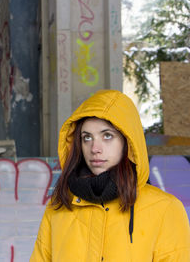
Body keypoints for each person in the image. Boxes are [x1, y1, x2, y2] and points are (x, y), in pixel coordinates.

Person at [30, 89, 190, 261]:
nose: (95, 149)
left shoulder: (165, 209)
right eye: (87, 138)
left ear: (128, 143)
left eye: (107, 136)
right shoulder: (59, 206)